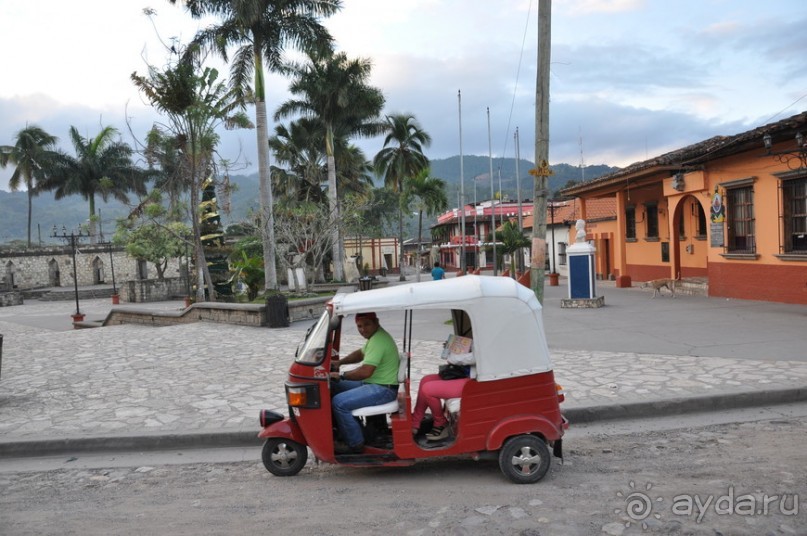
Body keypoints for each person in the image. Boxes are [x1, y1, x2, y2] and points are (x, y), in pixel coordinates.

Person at [329, 312, 400, 454]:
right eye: (359, 326)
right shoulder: (375, 338)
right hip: (375, 384)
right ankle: (340, 429)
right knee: (332, 386)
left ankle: (355, 443)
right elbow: (361, 353)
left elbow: (365, 372)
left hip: (383, 389)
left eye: (367, 324)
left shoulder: (378, 341)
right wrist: (340, 362)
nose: (363, 329)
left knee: (339, 403)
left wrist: (341, 375)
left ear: (376, 322)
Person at [412, 373, 470, 441]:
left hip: (471, 382)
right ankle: (415, 421)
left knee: (428, 389)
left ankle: (441, 423)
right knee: (426, 380)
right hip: (461, 375)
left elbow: (466, 361)